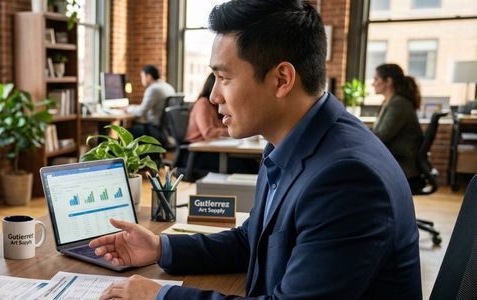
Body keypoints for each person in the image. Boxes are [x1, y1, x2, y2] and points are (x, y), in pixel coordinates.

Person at [90, 1, 421, 299]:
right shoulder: (291, 143)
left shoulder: (347, 178)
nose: (214, 95)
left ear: (281, 79)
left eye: (224, 77)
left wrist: (160, 297)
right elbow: (253, 240)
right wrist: (161, 246)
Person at [371, 63, 425, 193]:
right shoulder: (390, 102)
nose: (373, 83)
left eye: (376, 79)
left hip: (402, 166)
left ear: (388, 81)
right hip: (395, 161)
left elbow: (381, 136)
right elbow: (377, 133)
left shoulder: (399, 104)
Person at [128, 65, 177, 139]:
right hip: (166, 130)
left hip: (154, 128)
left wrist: (128, 108)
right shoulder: (168, 87)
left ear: (148, 77)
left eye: (142, 76)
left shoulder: (153, 89)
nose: (142, 80)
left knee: (126, 131)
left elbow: (141, 112)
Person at [185, 73, 228, 143]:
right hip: (199, 148)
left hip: (214, 144)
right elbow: (208, 133)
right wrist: (233, 132)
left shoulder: (216, 105)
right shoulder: (203, 103)